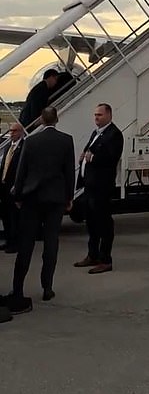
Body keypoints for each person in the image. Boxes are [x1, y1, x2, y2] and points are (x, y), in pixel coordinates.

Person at [0, 106, 75, 314]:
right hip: (55, 198)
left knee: (26, 244)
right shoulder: (66, 140)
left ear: (41, 120)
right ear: (57, 120)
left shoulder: (31, 141)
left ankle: (18, 288)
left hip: (32, 198)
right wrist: (68, 197)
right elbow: (69, 172)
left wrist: (17, 197)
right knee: (51, 243)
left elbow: (22, 171)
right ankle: (47, 287)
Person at [74, 103, 123, 274]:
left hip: (102, 188)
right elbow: (90, 151)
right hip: (89, 187)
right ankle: (92, 254)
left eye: (100, 115)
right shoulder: (96, 133)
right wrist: (84, 158)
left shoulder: (114, 135)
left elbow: (111, 158)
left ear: (109, 115)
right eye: (95, 115)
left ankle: (105, 259)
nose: (96, 118)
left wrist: (92, 157)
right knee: (92, 223)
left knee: (104, 224)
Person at [19, 67, 75, 131]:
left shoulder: (41, 88)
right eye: (55, 79)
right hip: (29, 121)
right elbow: (35, 106)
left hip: (26, 119)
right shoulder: (41, 89)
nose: (56, 82)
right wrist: (37, 121)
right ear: (51, 77)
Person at [0, 123, 26, 254]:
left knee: (14, 216)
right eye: (10, 131)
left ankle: (16, 243)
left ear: (21, 132)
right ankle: (9, 240)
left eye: (15, 131)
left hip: (15, 187)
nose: (12, 133)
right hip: (4, 187)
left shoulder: (24, 147)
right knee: (5, 215)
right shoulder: (8, 147)